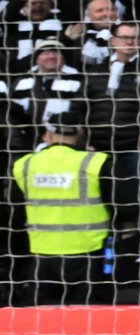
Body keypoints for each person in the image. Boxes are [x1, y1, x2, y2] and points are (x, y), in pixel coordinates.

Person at [13, 109, 110, 301]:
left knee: (42, 320)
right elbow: (126, 205)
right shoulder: (97, 162)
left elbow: (16, 209)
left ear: (48, 134)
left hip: (41, 253)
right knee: (87, 318)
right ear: (79, 134)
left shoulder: (24, 164)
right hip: (88, 253)